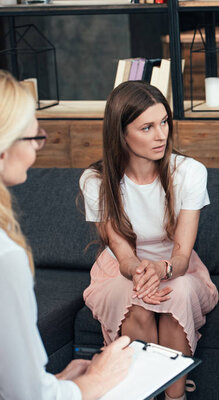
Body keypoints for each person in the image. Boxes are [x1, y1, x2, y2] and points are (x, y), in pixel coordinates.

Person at [79, 81, 219, 400]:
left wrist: (161, 269)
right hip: (120, 268)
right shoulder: (96, 181)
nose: (161, 135)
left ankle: (176, 396)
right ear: (121, 133)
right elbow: (123, 255)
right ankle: (142, 393)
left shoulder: (189, 172)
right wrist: (140, 275)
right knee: (136, 301)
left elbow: (182, 254)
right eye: (147, 127)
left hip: (175, 265)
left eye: (164, 122)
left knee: (177, 292)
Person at [0, 70, 133, 399]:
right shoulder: (6, 258)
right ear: (3, 150)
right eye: (33, 139)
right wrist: (98, 378)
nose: (37, 151)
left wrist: (58, 382)